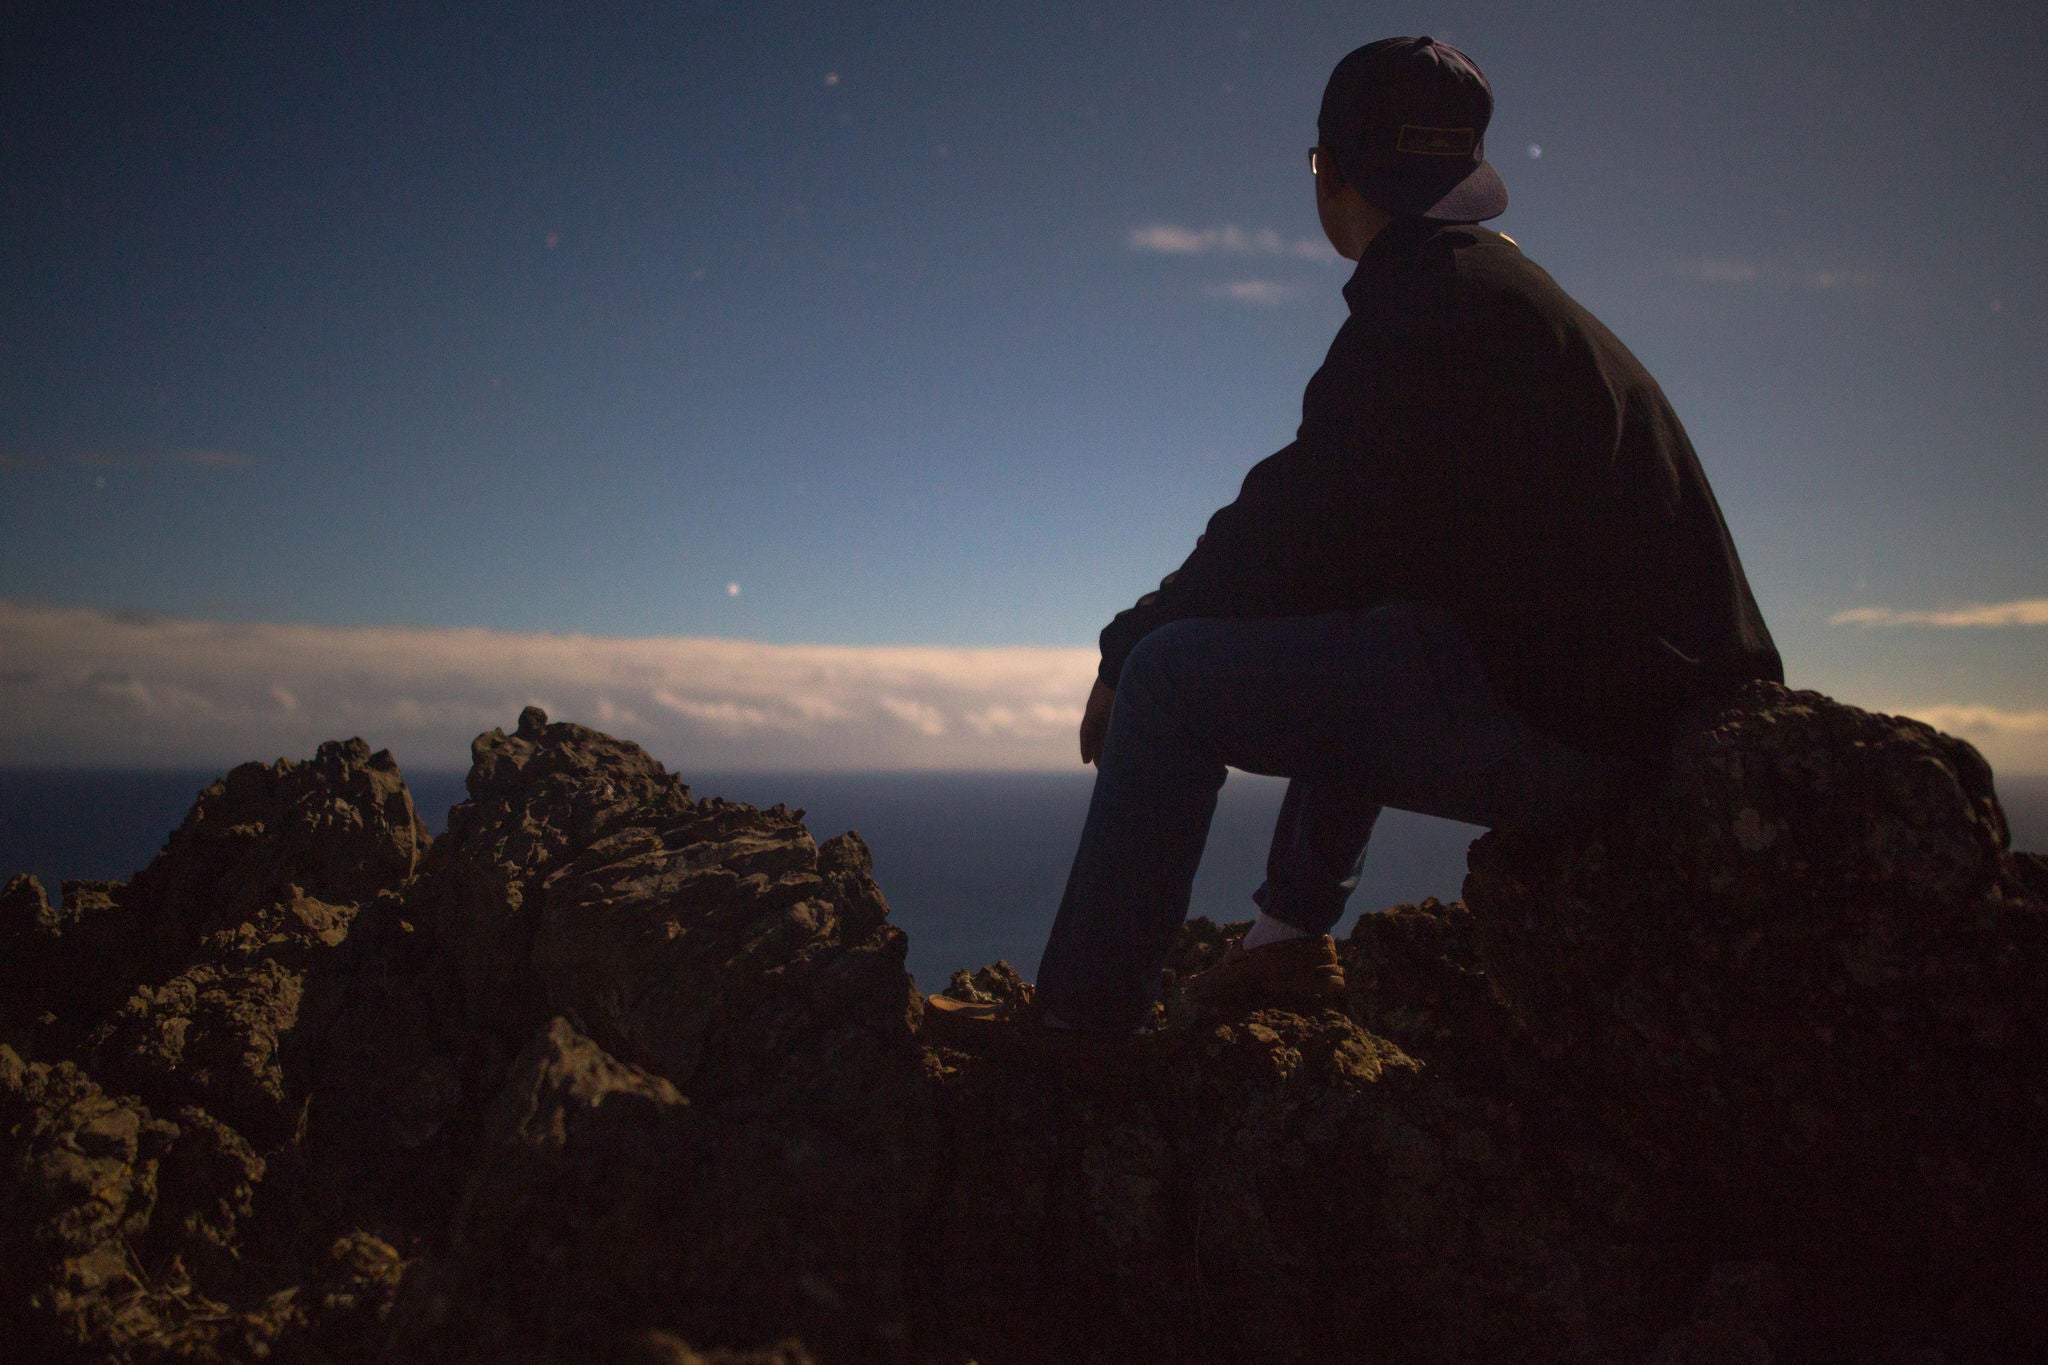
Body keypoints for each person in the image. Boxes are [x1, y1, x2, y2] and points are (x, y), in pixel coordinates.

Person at [926, 36, 1781, 1043]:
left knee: (1168, 678)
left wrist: (1124, 648)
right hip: (1650, 730)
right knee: (1372, 624)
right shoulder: (1510, 303)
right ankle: (1284, 942)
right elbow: (1343, 549)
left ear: (1328, 171)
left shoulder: (1427, 305)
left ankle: (1076, 1029)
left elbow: (1289, 525)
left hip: (1582, 746)